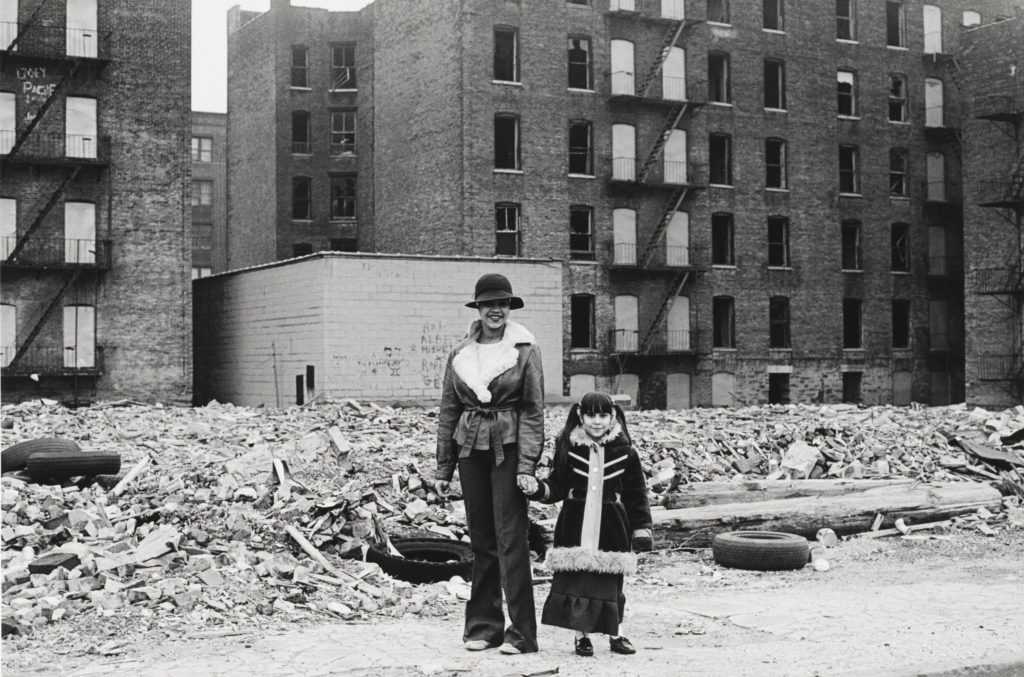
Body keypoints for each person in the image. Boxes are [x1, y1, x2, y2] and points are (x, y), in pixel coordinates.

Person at [434, 273, 544, 655]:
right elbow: (449, 410)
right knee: (481, 539)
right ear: (477, 309)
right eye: (488, 304)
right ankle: (484, 627)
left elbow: (532, 411)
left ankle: (521, 633)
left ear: (510, 308)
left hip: (508, 447)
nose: (495, 310)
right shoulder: (460, 354)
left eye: (503, 304)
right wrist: (443, 469)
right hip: (470, 450)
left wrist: (527, 465)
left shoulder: (524, 350)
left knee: (511, 538)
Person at [518, 392, 653, 657]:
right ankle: (582, 637)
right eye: (591, 415)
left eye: (603, 415)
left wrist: (641, 529)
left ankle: (617, 634)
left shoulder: (626, 451)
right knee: (577, 582)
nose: (597, 421)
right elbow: (556, 487)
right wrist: (537, 489)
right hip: (574, 522)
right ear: (581, 415)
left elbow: (637, 494)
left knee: (610, 583)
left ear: (613, 416)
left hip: (612, 525)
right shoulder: (568, 447)